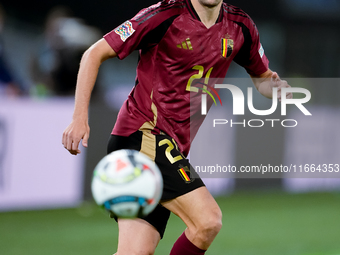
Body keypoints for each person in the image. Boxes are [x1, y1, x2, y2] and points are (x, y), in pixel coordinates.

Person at [62, 0, 292, 254]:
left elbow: (262, 77)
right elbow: (93, 53)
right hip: (143, 135)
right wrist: (79, 117)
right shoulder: (163, 15)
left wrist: (275, 88)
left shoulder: (240, 26)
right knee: (207, 221)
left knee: (135, 252)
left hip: (169, 146)